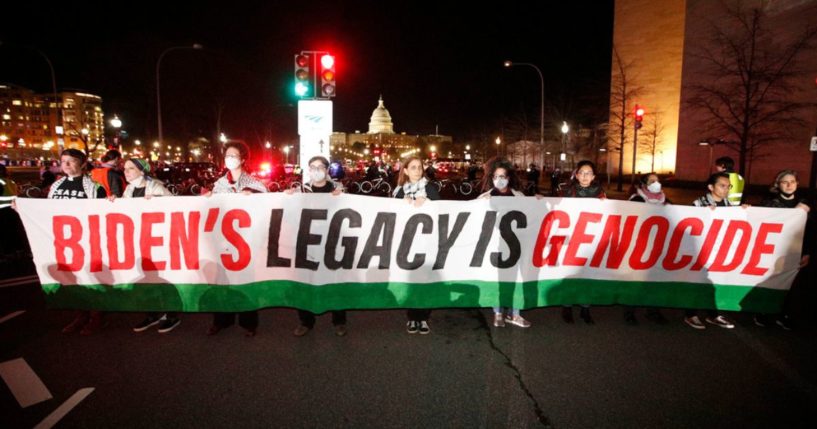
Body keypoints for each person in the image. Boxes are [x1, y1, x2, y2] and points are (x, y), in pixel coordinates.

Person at [206, 142, 268, 337]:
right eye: (227, 155)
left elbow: (268, 204)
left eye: (234, 155)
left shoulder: (254, 184)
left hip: (246, 242)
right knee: (222, 281)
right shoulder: (218, 185)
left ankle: (249, 323)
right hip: (223, 242)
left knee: (246, 281)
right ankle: (222, 320)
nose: (229, 159)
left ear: (242, 159)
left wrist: (254, 197)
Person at [117, 158, 181, 334]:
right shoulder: (129, 189)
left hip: (159, 242)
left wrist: (158, 202)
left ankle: (171, 315)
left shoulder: (157, 187)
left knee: (163, 279)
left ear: (142, 171)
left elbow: (175, 208)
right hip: (140, 241)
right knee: (146, 278)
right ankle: (152, 313)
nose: (126, 171)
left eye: (131, 168)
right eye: (125, 168)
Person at [48, 149, 108, 335]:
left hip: (87, 241)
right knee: (72, 280)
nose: (65, 165)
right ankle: (81, 315)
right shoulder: (56, 186)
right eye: (63, 161)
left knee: (91, 279)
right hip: (64, 241)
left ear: (82, 164)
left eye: (71, 161)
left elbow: (101, 213)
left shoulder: (94, 187)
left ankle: (96, 316)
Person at [291, 156, 348, 337]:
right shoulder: (300, 191)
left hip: (332, 242)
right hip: (307, 243)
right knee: (305, 282)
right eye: (312, 167)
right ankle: (306, 321)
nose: (316, 170)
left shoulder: (338, 190)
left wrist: (343, 198)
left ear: (327, 170)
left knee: (335, 282)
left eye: (320, 167)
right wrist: (286, 198)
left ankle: (339, 321)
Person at [754, 169, 811, 330]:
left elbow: (808, 231)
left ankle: (784, 314)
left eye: (792, 182)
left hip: (795, 251)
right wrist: (796, 213)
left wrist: (807, 252)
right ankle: (763, 312)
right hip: (773, 251)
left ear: (797, 184)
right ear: (778, 184)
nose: (789, 185)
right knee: (771, 282)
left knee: (792, 285)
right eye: (785, 182)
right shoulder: (769, 203)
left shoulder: (805, 203)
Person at [684, 172, 741, 329]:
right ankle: (691, 314)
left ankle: (713, 314)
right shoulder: (698, 204)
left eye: (728, 186)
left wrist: (744, 211)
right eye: (722, 185)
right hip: (701, 251)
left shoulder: (729, 206)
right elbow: (689, 226)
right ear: (711, 187)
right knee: (698, 282)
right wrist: (704, 215)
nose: (726, 189)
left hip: (720, 251)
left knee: (716, 283)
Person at [479, 157, 531, 328]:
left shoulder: (519, 196)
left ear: (509, 178)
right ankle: (498, 312)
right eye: (496, 176)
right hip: (494, 248)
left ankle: (515, 314)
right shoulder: (484, 198)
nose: (499, 180)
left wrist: (538, 201)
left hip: (516, 247)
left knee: (516, 280)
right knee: (497, 280)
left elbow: (532, 216)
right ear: (491, 178)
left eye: (503, 176)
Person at [393, 156, 440, 334]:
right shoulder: (398, 191)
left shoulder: (430, 188)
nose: (417, 171)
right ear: (405, 171)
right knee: (411, 281)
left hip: (427, 243)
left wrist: (426, 202)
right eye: (412, 167)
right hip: (407, 245)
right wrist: (402, 204)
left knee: (425, 280)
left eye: (419, 167)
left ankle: (424, 317)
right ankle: (412, 317)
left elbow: (442, 210)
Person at [560, 160, 606, 324]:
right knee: (570, 273)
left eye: (589, 173)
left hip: (591, 241)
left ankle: (585, 308)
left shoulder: (600, 194)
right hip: (571, 239)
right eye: (582, 173)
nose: (585, 176)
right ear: (577, 175)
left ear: (593, 176)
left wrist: (605, 206)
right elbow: (556, 209)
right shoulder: (567, 191)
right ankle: (567, 306)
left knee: (588, 274)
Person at [625, 173, 670, 325]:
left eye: (657, 180)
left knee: (656, 280)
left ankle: (653, 311)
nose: (656, 183)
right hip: (638, 247)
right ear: (644, 184)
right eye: (652, 181)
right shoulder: (636, 199)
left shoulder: (665, 200)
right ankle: (629, 312)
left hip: (658, 247)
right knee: (636, 281)